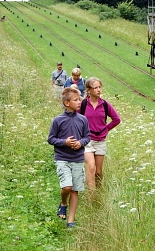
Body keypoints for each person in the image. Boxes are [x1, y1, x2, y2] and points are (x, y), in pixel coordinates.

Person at [47, 87, 90, 228]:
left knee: (74, 190)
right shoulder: (58, 120)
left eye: (80, 99)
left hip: (77, 159)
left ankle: (71, 221)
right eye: (76, 100)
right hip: (62, 158)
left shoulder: (83, 119)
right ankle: (63, 203)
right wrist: (64, 142)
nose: (79, 102)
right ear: (67, 103)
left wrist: (80, 143)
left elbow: (87, 137)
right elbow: (51, 139)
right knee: (67, 187)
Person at [80, 77, 121, 190]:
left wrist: (106, 129)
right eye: (95, 87)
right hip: (87, 141)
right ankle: (91, 197)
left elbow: (116, 119)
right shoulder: (83, 104)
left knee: (98, 172)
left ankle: (99, 191)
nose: (98, 90)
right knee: (91, 167)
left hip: (100, 141)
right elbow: (75, 119)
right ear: (89, 90)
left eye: (99, 87)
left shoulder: (104, 105)